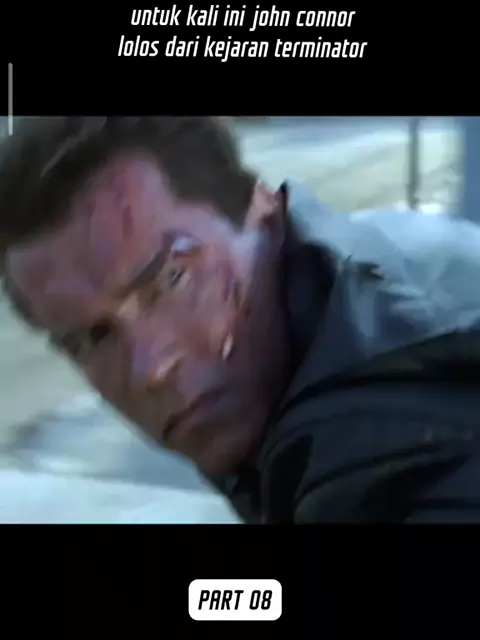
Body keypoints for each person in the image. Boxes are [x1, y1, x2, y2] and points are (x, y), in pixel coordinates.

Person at [2, 116, 480, 523]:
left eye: (173, 277)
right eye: (94, 337)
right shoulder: (347, 258)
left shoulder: (399, 448)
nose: (151, 368)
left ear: (262, 211)